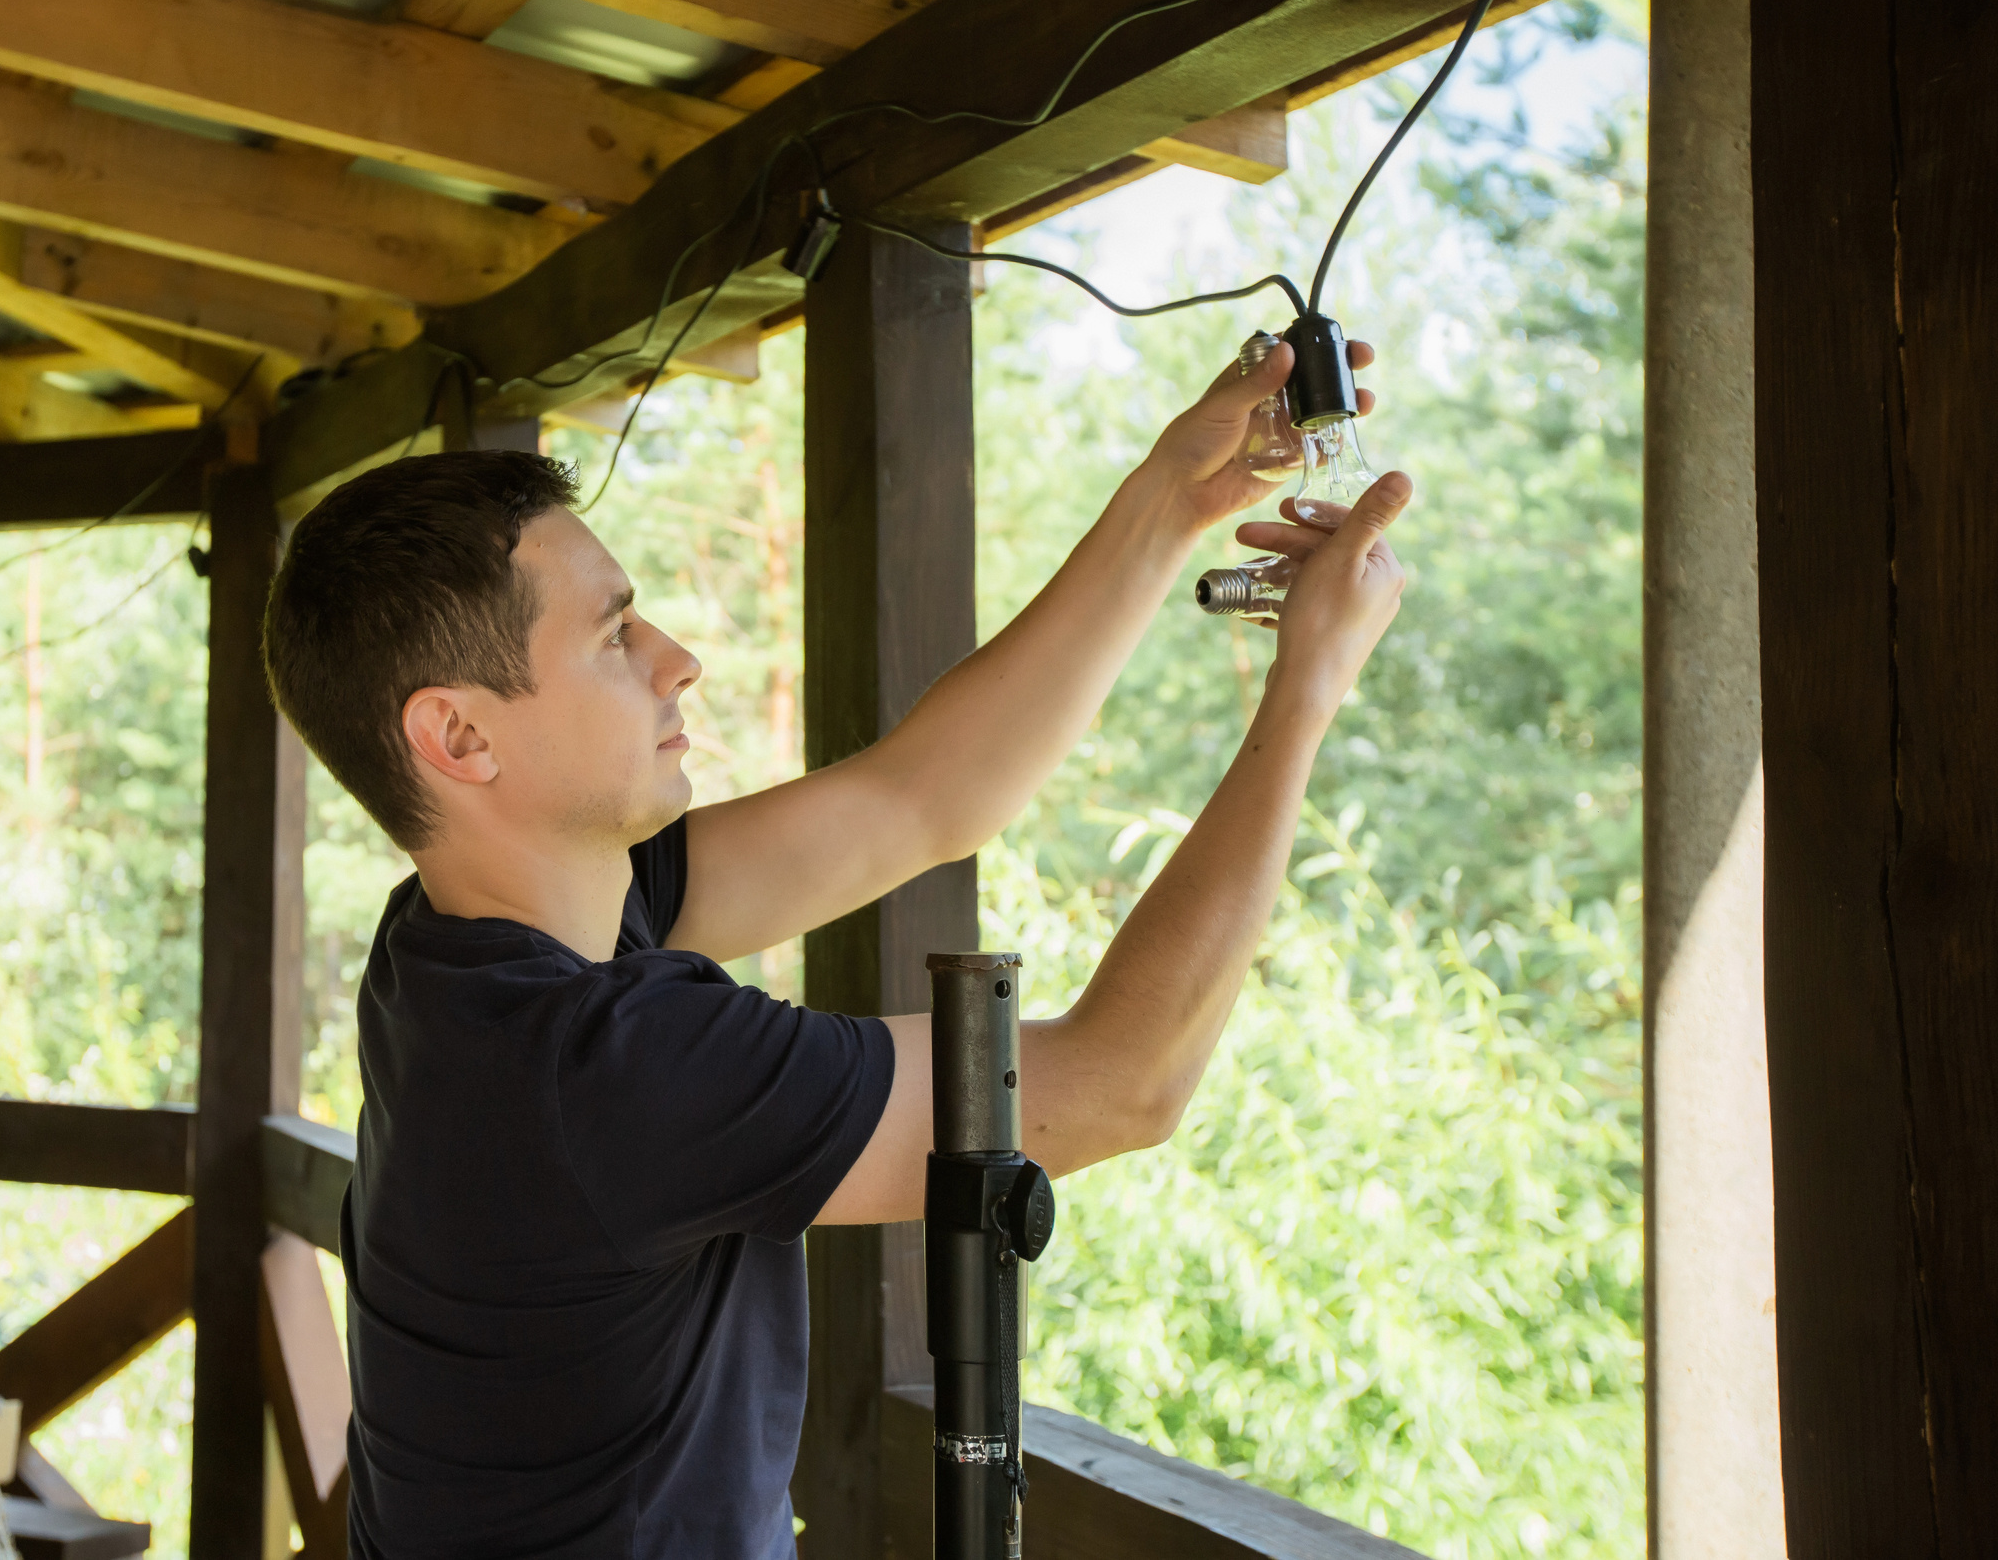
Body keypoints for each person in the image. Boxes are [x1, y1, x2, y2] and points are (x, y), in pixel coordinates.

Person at [261, 339, 1411, 1558]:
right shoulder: (606, 1069)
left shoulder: (451, 947)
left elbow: (920, 800)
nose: (674, 659)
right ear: (458, 736)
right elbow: (1124, 1081)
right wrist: (1305, 695)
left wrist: (1173, 498)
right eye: (612, 636)